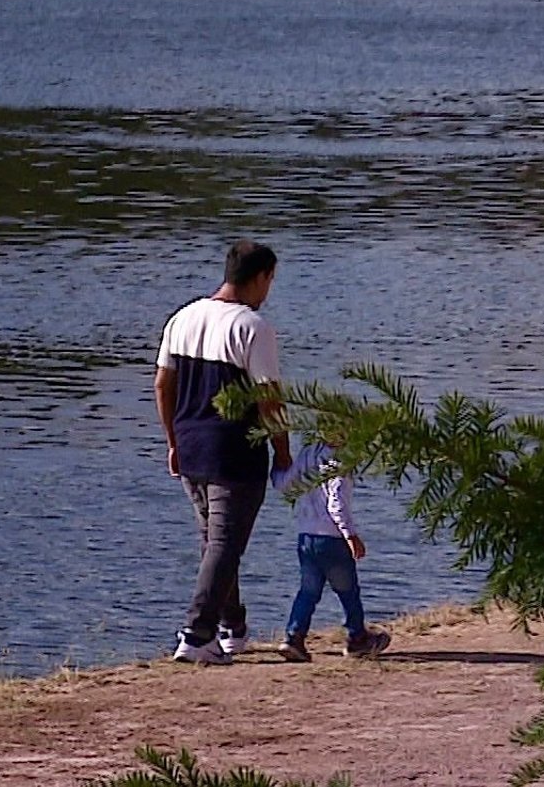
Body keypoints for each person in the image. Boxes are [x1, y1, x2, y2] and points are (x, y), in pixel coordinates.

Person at [155, 240, 292, 665]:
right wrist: (283, 451)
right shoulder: (253, 327)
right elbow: (269, 398)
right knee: (225, 544)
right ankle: (197, 635)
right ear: (260, 277)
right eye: (270, 279)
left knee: (214, 543)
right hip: (234, 451)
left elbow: (163, 384)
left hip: (191, 445)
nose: (269, 289)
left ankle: (232, 629)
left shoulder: (183, 317)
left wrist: (172, 441)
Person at [270, 436, 391, 662]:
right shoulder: (340, 461)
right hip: (332, 538)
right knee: (348, 591)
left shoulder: (308, 453)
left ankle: (293, 637)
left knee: (308, 591)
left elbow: (284, 483)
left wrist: (275, 470)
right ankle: (357, 638)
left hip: (307, 536)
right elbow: (336, 503)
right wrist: (351, 535)